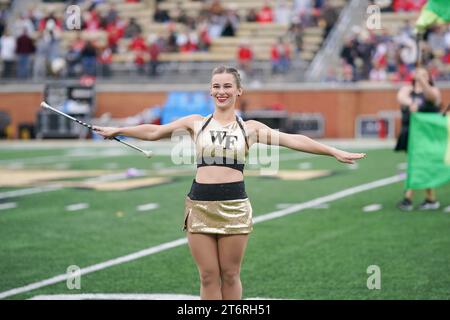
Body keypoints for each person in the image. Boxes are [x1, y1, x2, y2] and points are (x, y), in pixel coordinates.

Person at [93, 66, 366, 300]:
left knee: (230, 274)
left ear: (238, 91)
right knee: (208, 275)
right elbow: (154, 131)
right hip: (199, 206)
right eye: (216, 86)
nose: (221, 91)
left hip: (234, 206)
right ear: (210, 91)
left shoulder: (251, 129)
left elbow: (294, 139)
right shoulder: (195, 123)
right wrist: (120, 130)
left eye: (227, 86)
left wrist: (333, 151)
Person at [395, 67, 441, 211]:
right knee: (417, 164)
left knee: (419, 164)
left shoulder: (432, 90)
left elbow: (433, 98)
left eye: (425, 74)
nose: (421, 77)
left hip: (427, 135)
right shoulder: (407, 90)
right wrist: (411, 103)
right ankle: (430, 198)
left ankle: (408, 197)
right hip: (410, 134)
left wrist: (423, 82)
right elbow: (401, 97)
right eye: (419, 74)